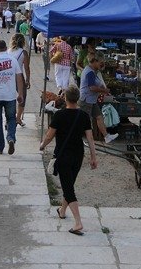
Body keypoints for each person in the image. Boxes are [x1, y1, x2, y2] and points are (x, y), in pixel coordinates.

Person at [39, 86, 97, 236]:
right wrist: (93, 156)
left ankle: (78, 222)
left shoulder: (59, 115)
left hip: (63, 155)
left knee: (68, 189)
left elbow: (49, 136)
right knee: (69, 184)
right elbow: (90, 138)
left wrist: (42, 145)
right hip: (78, 155)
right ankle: (62, 210)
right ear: (77, 98)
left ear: (65, 98)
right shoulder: (83, 116)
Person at [0, 39, 24, 155]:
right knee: (11, 118)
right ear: (6, 48)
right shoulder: (13, 61)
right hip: (10, 95)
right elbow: (19, 78)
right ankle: (11, 137)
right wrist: (20, 94)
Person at [80, 55, 119, 144]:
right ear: (95, 61)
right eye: (100, 63)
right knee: (85, 121)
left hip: (92, 100)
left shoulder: (93, 70)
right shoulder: (89, 72)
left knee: (99, 117)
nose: (101, 65)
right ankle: (79, 138)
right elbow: (92, 88)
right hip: (87, 100)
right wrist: (104, 90)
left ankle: (106, 136)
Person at [9, 33, 31, 127]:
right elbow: (27, 68)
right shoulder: (23, 52)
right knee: (22, 97)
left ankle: (10, 118)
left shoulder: (8, 51)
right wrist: (28, 79)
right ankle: (18, 118)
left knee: (10, 97)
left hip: (9, 76)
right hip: (19, 76)